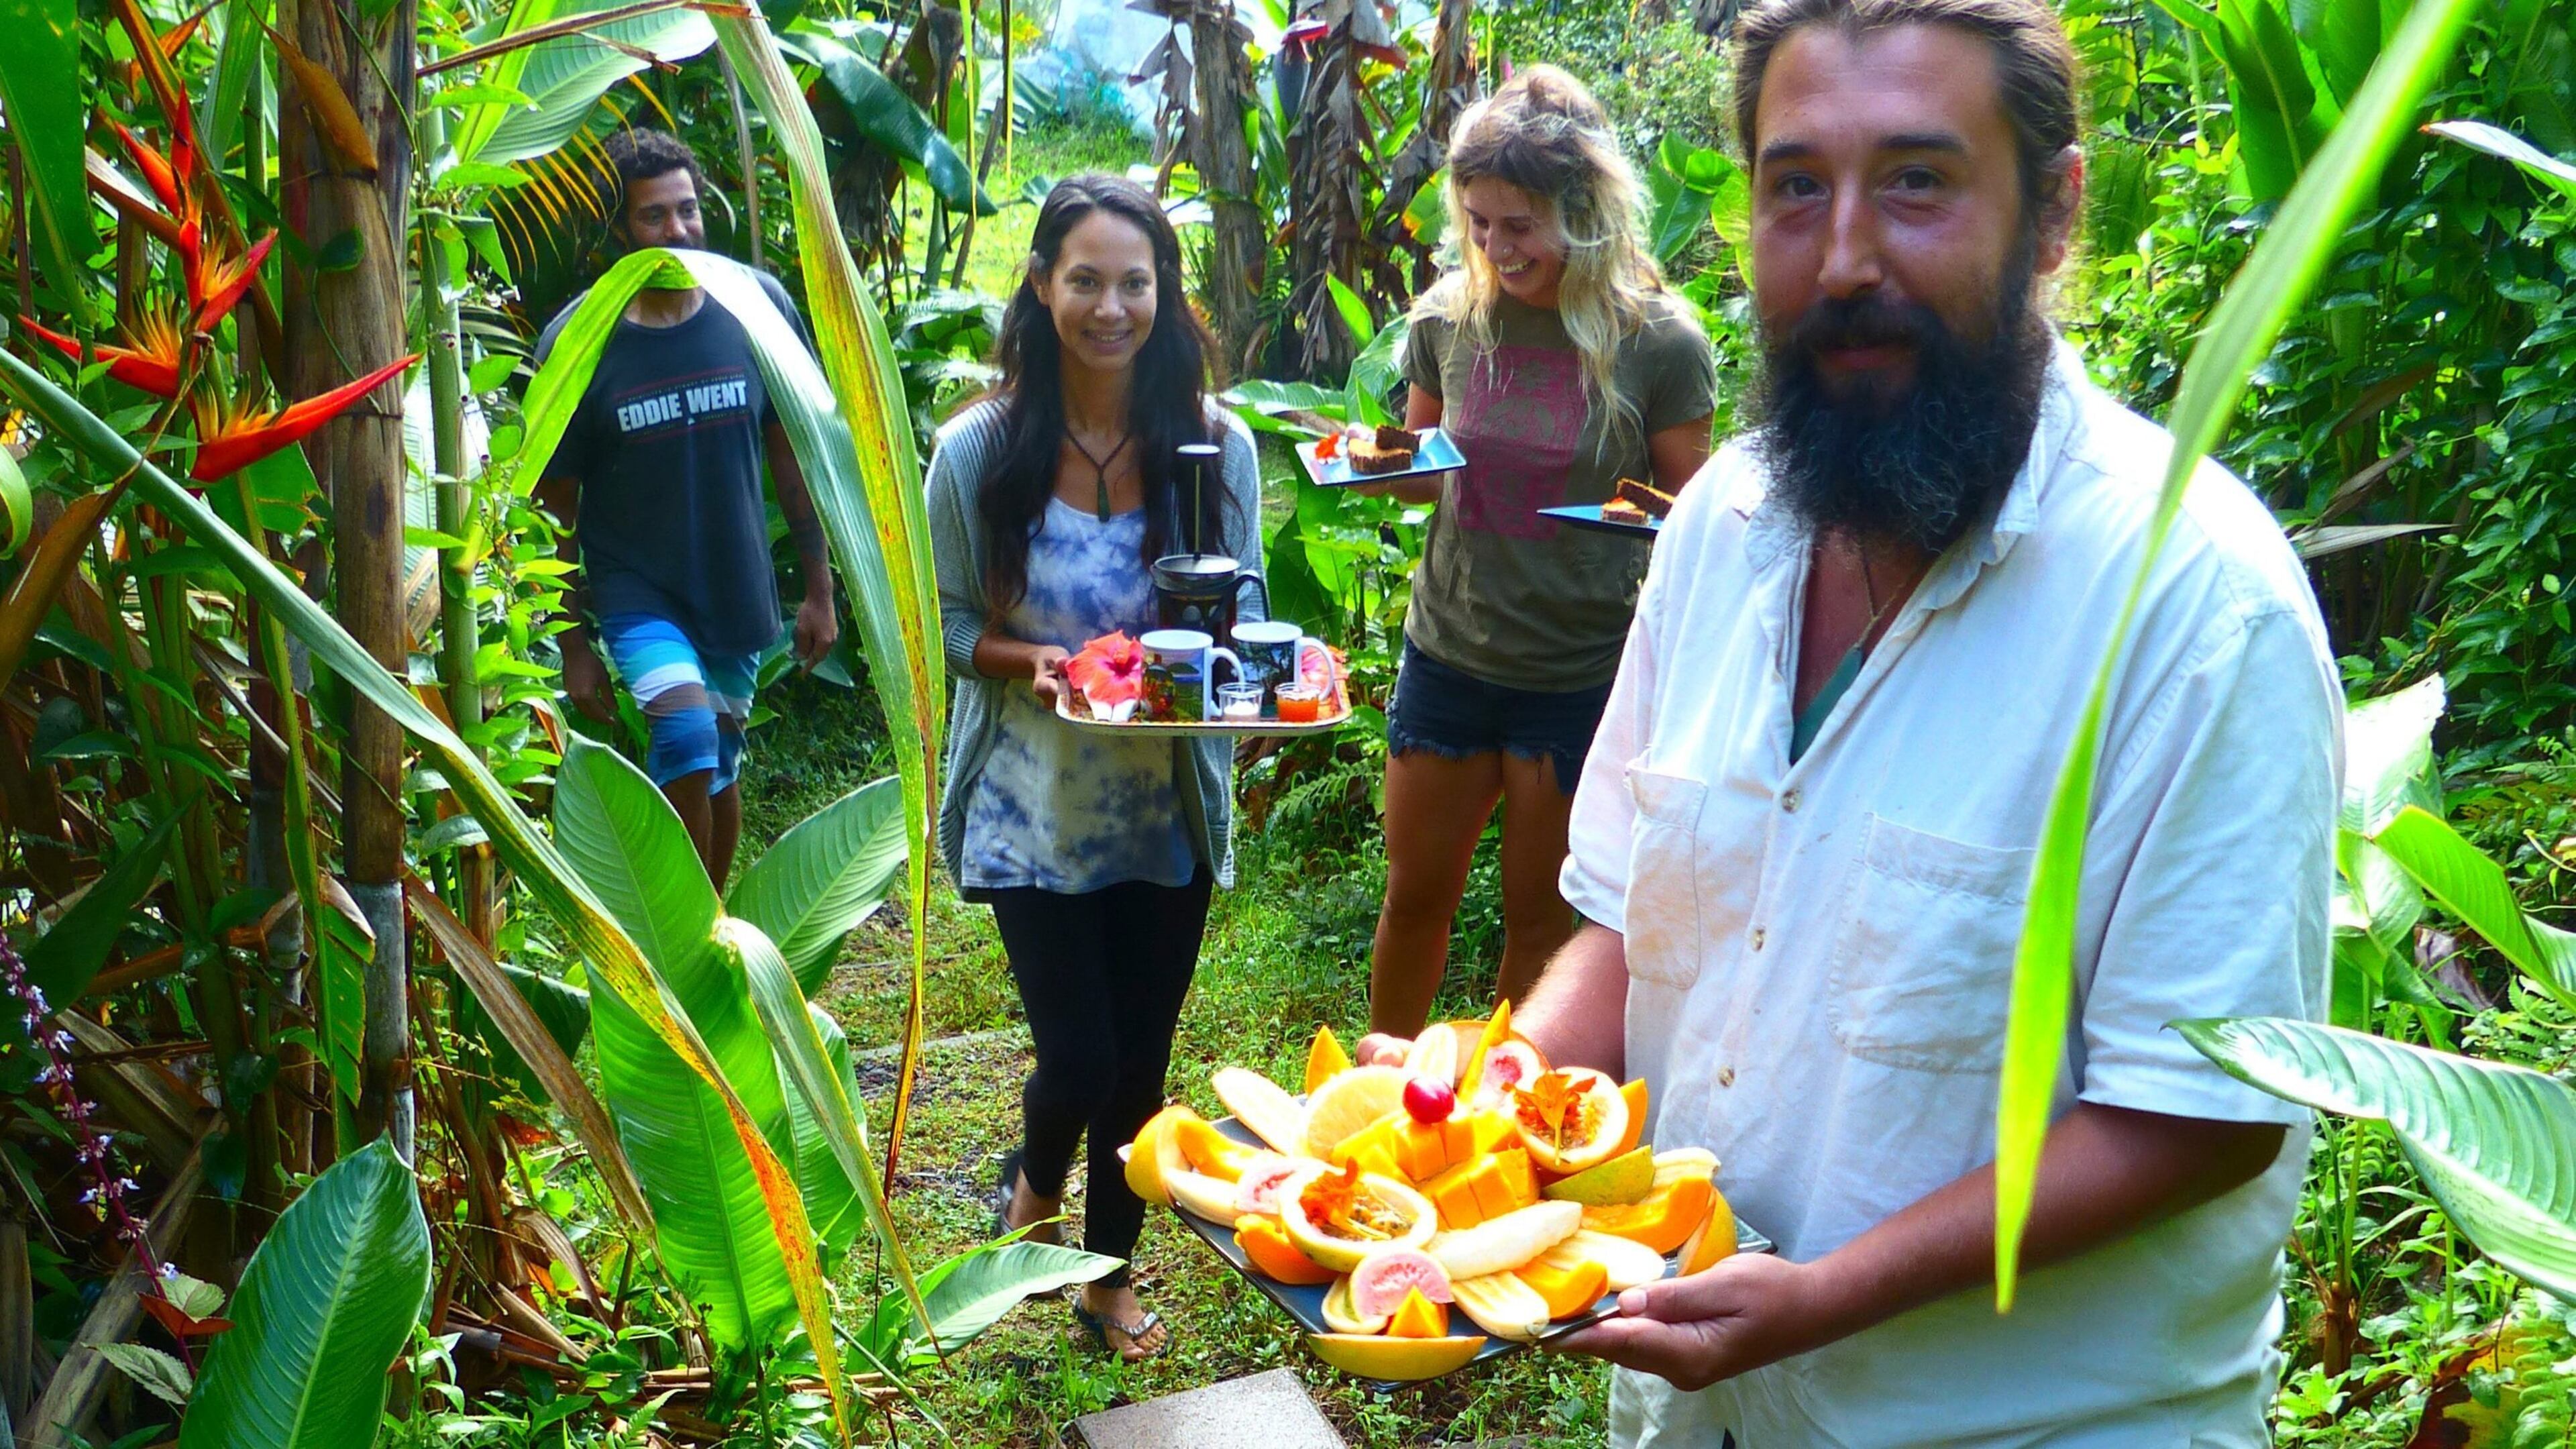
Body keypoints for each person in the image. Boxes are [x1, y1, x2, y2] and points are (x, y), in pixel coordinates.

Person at [1358, 0, 2340, 1440]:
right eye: (1796, 186)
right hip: (1693, 1412)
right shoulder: (1720, 531)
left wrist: (1825, 1293)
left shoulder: (2196, 606)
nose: (1846, 257)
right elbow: (1634, 927)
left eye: (1919, 183)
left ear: (2055, 214)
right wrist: (1504, 1092)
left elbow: (2196, 1115)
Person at [925, 174, 1261, 1362]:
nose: (1110, 306)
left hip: (1162, 813)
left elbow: (1249, 602)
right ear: (1040, 284)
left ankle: (1105, 1276)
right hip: (1033, 808)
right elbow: (954, 630)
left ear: (1166, 293)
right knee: (1075, 1054)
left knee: (1141, 1064)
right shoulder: (977, 450)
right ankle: (1031, 1185)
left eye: (1135, 282)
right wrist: (1051, 664)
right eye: (1085, 280)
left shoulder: (1216, 444)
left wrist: (1264, 680)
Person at [1366, 66, 1716, 1041]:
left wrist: (1632, 511)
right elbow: (1424, 468)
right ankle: (1361, 1091)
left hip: (1579, 675)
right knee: (1413, 903)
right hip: (1450, 653)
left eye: (1519, 225)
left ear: (1585, 212)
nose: (1495, 247)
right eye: (1478, 223)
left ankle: (1501, 1123)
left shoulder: (1658, 340)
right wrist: (1365, 466)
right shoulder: (1450, 318)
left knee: (1539, 924)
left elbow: (1694, 514)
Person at [535, 128, 838, 888]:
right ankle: (680, 935)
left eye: (689, 211)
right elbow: (556, 509)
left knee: (720, 764)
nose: (678, 231)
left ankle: (709, 930)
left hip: (733, 583)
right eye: (654, 217)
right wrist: (574, 643)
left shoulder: (755, 308)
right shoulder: (578, 341)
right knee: (686, 732)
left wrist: (820, 588)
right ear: (616, 232)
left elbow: (792, 454)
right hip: (635, 587)